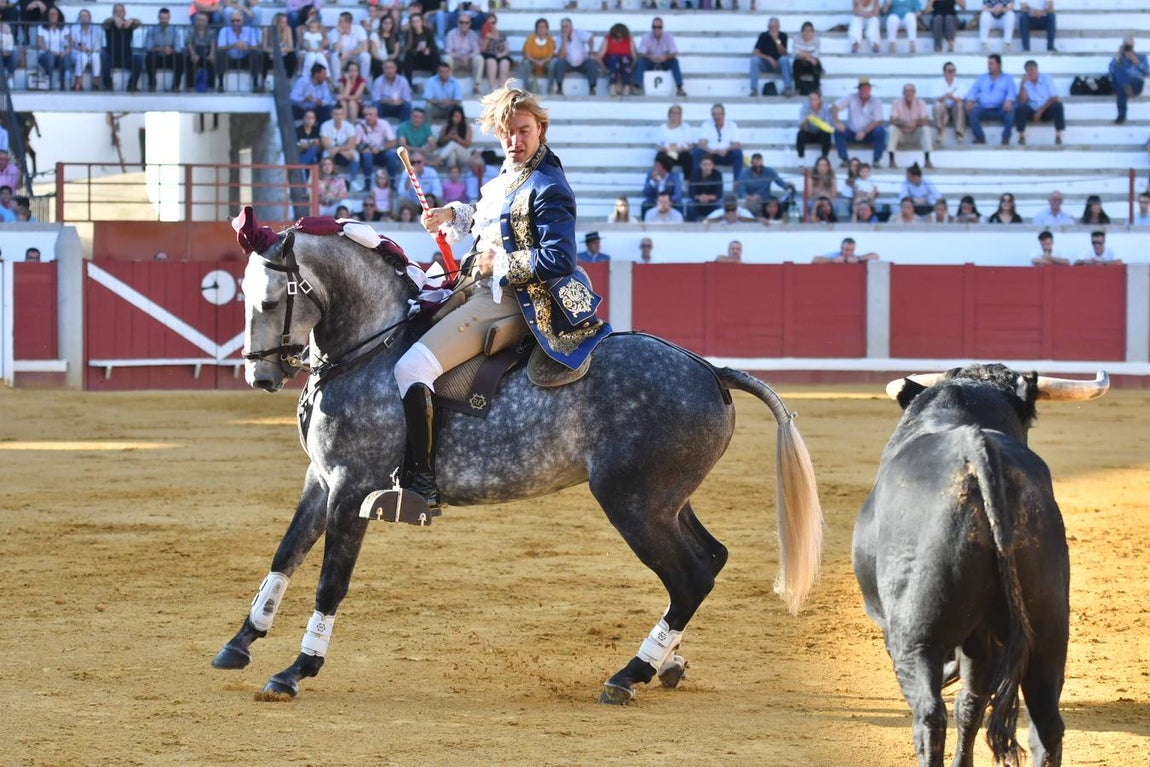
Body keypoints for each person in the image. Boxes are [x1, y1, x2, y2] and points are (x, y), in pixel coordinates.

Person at [394, 84, 611, 508]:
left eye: (524, 131)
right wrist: (451, 215)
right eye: (507, 132)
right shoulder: (510, 176)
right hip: (478, 285)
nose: (515, 141)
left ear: (541, 130)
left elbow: (560, 258)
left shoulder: (549, 186)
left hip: (511, 299)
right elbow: (491, 215)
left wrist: (502, 263)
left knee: (410, 367)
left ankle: (421, 482)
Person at [832, 77, 887, 167]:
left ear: (870, 89)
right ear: (858, 89)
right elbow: (834, 108)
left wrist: (864, 131)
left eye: (866, 89)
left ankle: (876, 160)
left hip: (868, 133)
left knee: (881, 131)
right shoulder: (851, 97)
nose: (864, 91)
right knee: (838, 131)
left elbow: (878, 121)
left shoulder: (876, 101)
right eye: (862, 89)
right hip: (852, 132)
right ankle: (844, 159)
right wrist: (838, 122)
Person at [965, 53, 1016, 145]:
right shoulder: (982, 78)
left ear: (999, 65)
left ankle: (1006, 137)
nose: (989, 66)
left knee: (1011, 111)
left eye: (992, 64)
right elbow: (973, 90)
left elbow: (1011, 92)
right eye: (988, 64)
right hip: (984, 108)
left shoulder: (1007, 78)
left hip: (1000, 108)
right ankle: (980, 137)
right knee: (971, 112)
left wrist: (1009, 101)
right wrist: (970, 100)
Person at [1015, 59, 1064, 146]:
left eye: (1032, 70)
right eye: (1028, 71)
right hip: (1032, 111)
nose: (1031, 73)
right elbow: (1022, 100)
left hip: (1046, 109)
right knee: (1020, 107)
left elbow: (1055, 97)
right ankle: (1021, 136)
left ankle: (1058, 136)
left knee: (1058, 105)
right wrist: (1023, 84)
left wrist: (1040, 111)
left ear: (1037, 70)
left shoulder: (1047, 78)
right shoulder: (1025, 82)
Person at [692, 103, 744, 184]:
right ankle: (697, 183)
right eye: (714, 115)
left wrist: (726, 150)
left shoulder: (731, 125)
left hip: (726, 155)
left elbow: (737, 144)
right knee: (696, 152)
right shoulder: (706, 125)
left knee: (738, 153)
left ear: (724, 114)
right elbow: (701, 144)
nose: (717, 117)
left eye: (719, 114)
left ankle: (737, 183)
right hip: (710, 155)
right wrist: (712, 151)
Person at [634, 16, 685, 97]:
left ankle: (680, 87)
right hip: (650, 62)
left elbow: (674, 52)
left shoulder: (668, 36)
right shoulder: (646, 37)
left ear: (662, 28)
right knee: (640, 62)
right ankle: (637, 87)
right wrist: (650, 56)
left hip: (664, 61)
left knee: (674, 62)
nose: (656, 29)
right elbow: (640, 53)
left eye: (659, 27)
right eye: (654, 27)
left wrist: (666, 57)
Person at [216, 11, 264, 92]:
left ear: (242, 21)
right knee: (220, 54)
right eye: (233, 21)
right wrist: (234, 45)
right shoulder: (224, 30)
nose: (235, 23)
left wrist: (246, 47)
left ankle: (256, 84)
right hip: (230, 58)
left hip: (245, 58)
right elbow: (220, 47)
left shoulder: (249, 30)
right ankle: (221, 83)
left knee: (255, 53)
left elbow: (255, 46)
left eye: (238, 20)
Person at [889, 83, 934, 169]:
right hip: (901, 134)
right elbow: (892, 120)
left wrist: (915, 122)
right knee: (892, 129)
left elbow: (926, 120)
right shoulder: (897, 103)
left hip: (915, 134)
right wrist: (904, 123)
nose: (909, 93)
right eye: (907, 91)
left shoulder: (921, 103)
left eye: (911, 91)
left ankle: (927, 160)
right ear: (903, 93)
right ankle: (891, 160)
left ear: (915, 93)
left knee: (926, 129)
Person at [101, 4, 143, 92]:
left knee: (139, 59)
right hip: (111, 56)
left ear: (124, 13)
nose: (119, 13)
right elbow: (104, 24)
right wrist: (114, 19)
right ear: (113, 13)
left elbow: (139, 22)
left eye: (121, 11)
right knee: (103, 56)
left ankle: (131, 86)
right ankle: (108, 85)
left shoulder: (129, 24)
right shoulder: (109, 24)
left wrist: (131, 20)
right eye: (116, 11)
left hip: (125, 57)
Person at [554, 17, 599, 96]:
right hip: (567, 63)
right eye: (562, 27)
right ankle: (559, 87)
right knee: (559, 63)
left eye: (566, 26)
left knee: (592, 64)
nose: (564, 29)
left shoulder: (578, 33)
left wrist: (591, 51)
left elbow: (590, 38)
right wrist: (564, 39)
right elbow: (561, 55)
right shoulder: (558, 38)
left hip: (582, 62)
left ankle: (592, 88)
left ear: (571, 26)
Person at [357, 104, 400, 184]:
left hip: (382, 151)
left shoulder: (384, 124)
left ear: (376, 115)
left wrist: (380, 148)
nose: (367, 117)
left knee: (392, 154)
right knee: (367, 156)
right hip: (368, 152)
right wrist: (363, 149)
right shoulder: (360, 126)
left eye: (370, 115)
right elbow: (356, 144)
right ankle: (367, 183)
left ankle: (392, 182)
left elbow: (393, 141)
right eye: (365, 115)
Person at [143, 7, 184, 92]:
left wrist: (171, 50)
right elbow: (148, 47)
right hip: (157, 57)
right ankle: (152, 85)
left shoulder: (174, 30)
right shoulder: (152, 29)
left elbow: (178, 48)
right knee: (149, 57)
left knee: (180, 57)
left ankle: (176, 86)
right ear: (158, 18)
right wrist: (161, 49)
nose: (164, 21)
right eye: (162, 18)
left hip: (170, 57)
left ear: (169, 18)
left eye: (166, 18)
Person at [1109, 36, 1148, 125]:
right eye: (1127, 45)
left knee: (1122, 84)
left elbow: (1146, 71)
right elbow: (1111, 71)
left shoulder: (1141, 57)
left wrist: (1135, 60)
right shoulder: (1118, 58)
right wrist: (1118, 58)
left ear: (1134, 45)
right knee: (1119, 75)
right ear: (1123, 45)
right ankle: (1126, 87)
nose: (1128, 48)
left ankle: (1121, 115)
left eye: (1130, 46)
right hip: (1122, 86)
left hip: (1135, 84)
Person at [749, 16, 792, 97]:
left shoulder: (783, 36)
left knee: (784, 60)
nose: (773, 29)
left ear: (779, 27)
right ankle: (754, 89)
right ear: (768, 27)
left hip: (779, 64)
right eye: (771, 27)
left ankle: (788, 88)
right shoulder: (763, 35)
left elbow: (784, 53)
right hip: (766, 64)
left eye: (775, 27)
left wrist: (776, 40)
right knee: (754, 60)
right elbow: (755, 52)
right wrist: (769, 58)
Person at [321, 104, 361, 190]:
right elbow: (325, 144)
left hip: (344, 150)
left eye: (340, 114)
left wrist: (339, 149)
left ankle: (353, 180)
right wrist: (336, 150)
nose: (338, 116)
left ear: (343, 115)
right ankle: (326, 180)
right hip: (331, 150)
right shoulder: (325, 125)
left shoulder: (349, 126)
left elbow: (352, 144)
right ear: (332, 115)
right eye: (336, 114)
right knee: (325, 155)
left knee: (356, 155)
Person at [442, 11, 482, 93]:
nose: (464, 24)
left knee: (479, 58)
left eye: (466, 22)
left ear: (470, 24)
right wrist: (460, 56)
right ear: (457, 23)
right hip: (456, 60)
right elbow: (448, 51)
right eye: (461, 22)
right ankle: (448, 86)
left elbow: (477, 51)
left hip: (469, 61)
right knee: (446, 58)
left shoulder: (473, 34)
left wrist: (468, 57)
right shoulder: (451, 34)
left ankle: (476, 86)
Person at [328, 11, 370, 87]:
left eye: (341, 21)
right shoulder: (334, 31)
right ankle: (337, 85)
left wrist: (349, 53)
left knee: (365, 56)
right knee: (335, 56)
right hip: (342, 57)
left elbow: (365, 47)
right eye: (338, 21)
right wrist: (340, 34)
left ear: (349, 23)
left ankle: (364, 85)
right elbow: (336, 49)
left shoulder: (359, 29)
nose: (338, 23)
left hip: (355, 55)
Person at [395, 150, 442, 217]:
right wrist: (410, 176)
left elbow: (438, 192)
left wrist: (427, 199)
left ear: (424, 162)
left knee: (439, 200)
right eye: (413, 162)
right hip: (413, 204)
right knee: (401, 199)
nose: (416, 164)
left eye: (418, 162)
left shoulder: (431, 172)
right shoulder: (405, 173)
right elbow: (402, 192)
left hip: (429, 203)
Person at [654, 103, 694, 180]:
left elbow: (691, 146)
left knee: (687, 156)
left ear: (680, 115)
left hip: (681, 154)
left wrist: (681, 149)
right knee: (660, 156)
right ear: (669, 114)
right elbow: (657, 146)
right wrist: (666, 149)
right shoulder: (663, 128)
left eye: (677, 113)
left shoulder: (686, 127)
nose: (674, 115)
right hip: (667, 153)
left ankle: (688, 181)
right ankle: (660, 180)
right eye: (672, 112)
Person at [519, 17, 556, 95]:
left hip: (545, 63)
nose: (541, 29)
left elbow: (550, 55)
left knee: (552, 64)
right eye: (539, 27)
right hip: (532, 62)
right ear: (536, 28)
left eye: (544, 27)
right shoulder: (530, 38)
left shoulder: (550, 40)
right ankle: (526, 89)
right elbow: (527, 54)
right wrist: (536, 61)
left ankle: (550, 89)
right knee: (525, 63)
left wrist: (542, 61)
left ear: (547, 29)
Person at [640, 152, 684, 218]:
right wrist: (653, 182)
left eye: (657, 165)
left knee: (679, 205)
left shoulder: (674, 176)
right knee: (645, 205)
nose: (655, 167)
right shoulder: (651, 175)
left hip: (669, 202)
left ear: (664, 166)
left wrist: (667, 201)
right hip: (655, 201)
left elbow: (678, 193)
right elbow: (645, 192)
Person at [36, 7, 70, 91]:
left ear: (59, 16)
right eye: (50, 14)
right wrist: (50, 51)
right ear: (47, 16)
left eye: (55, 14)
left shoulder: (64, 28)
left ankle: (62, 84)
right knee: (50, 57)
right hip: (45, 54)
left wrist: (65, 52)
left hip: (60, 55)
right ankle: (49, 83)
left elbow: (71, 43)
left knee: (66, 58)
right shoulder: (41, 28)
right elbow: (39, 42)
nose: (53, 16)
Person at [68, 8, 102, 91]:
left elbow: (97, 46)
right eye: (81, 16)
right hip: (77, 53)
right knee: (82, 57)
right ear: (79, 18)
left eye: (86, 16)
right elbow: (74, 44)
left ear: (89, 18)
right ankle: (77, 83)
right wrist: (81, 48)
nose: (83, 18)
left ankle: (96, 83)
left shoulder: (95, 29)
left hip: (91, 53)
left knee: (95, 56)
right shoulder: (74, 28)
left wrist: (89, 50)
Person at [479, 14, 514, 94]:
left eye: (493, 22)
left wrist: (501, 55)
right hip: (489, 55)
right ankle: (493, 88)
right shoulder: (484, 35)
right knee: (491, 61)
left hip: (501, 54)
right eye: (489, 23)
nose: (492, 25)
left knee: (504, 62)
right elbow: (483, 49)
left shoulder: (502, 35)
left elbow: (506, 49)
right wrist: (488, 37)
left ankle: (503, 88)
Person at [934, 61, 966, 144]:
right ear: (944, 72)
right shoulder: (939, 83)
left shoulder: (960, 82)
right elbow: (937, 98)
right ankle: (940, 131)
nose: (952, 73)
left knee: (959, 105)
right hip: (944, 108)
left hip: (955, 108)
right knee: (938, 105)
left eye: (953, 70)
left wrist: (952, 98)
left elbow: (961, 99)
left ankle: (959, 133)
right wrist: (945, 96)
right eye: (949, 71)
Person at [598, 22, 634, 97]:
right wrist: (604, 69)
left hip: (625, 63)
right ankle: (612, 86)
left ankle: (626, 86)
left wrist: (631, 68)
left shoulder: (629, 39)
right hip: (611, 62)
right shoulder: (608, 39)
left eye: (621, 37)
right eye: (617, 37)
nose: (620, 39)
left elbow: (635, 57)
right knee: (614, 59)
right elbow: (599, 57)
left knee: (625, 59)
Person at [400, 13, 438, 83]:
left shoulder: (428, 31)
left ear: (422, 22)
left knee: (435, 55)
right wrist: (416, 50)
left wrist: (428, 49)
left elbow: (433, 45)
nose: (415, 24)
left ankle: (434, 82)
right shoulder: (408, 33)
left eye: (417, 21)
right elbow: (406, 49)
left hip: (426, 58)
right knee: (408, 57)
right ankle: (408, 84)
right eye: (413, 22)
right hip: (415, 59)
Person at [372, 59, 413, 123]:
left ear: (396, 69)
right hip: (384, 107)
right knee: (375, 105)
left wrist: (399, 101)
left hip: (398, 106)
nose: (389, 70)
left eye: (391, 68)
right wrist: (391, 101)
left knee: (407, 105)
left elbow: (407, 98)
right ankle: (378, 126)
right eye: (386, 68)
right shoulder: (378, 81)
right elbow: (376, 99)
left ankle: (403, 129)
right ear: (383, 70)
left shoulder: (403, 80)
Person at [184, 10, 216, 93]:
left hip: (206, 52)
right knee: (189, 62)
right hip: (195, 52)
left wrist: (211, 55)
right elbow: (189, 43)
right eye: (199, 20)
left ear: (207, 21)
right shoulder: (191, 30)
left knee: (212, 63)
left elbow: (212, 43)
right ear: (196, 21)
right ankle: (190, 87)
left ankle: (211, 87)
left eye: (203, 20)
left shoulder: (211, 31)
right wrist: (193, 54)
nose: (201, 22)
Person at [796, 90, 833, 160]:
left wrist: (817, 121)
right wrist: (807, 118)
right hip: (809, 133)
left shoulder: (825, 108)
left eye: (815, 99)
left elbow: (829, 126)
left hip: (820, 132)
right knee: (800, 135)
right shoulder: (804, 107)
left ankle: (824, 157)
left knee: (827, 135)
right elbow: (800, 126)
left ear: (819, 100)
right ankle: (801, 157)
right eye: (810, 99)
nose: (812, 101)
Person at [434, 104, 473, 169]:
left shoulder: (467, 127)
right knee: (452, 154)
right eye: (454, 116)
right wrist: (448, 137)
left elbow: (467, 144)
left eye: (457, 116)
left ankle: (438, 160)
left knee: (453, 144)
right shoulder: (446, 127)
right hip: (449, 154)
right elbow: (439, 142)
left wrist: (457, 138)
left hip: (464, 155)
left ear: (461, 116)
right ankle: (452, 173)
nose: (455, 118)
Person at [687, 155, 723, 222]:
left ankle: (717, 227)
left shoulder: (718, 174)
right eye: (705, 164)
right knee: (689, 204)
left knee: (720, 203)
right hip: (698, 202)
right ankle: (692, 226)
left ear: (713, 166)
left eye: (709, 164)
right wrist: (700, 197)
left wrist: (707, 197)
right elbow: (691, 193)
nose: (707, 167)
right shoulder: (694, 174)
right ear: (701, 165)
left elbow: (719, 194)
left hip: (712, 203)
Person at [792, 21, 821, 96]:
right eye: (805, 31)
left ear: (813, 32)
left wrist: (804, 54)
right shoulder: (796, 39)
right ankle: (797, 88)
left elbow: (816, 55)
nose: (807, 33)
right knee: (796, 64)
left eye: (809, 31)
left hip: (811, 63)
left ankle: (816, 89)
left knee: (817, 65)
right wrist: (808, 57)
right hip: (801, 62)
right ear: (802, 32)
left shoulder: (816, 40)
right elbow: (796, 53)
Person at [812, 237, 878, 263]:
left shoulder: (856, 257)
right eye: (846, 250)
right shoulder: (834, 255)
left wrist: (858, 259)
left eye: (851, 250)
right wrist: (832, 260)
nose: (849, 252)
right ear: (841, 248)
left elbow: (875, 256)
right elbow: (815, 260)